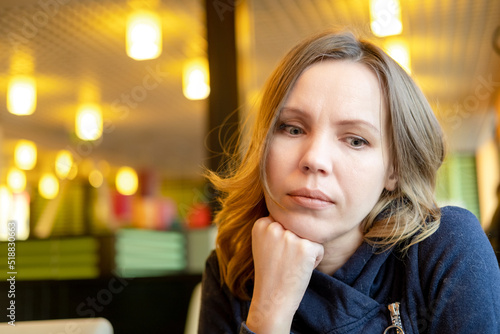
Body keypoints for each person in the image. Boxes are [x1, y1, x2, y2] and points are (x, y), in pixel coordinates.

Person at [199, 30, 500, 333]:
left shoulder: (446, 246)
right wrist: (268, 314)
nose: (314, 159)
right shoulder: (230, 268)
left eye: (356, 140)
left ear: (393, 171)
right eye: (292, 129)